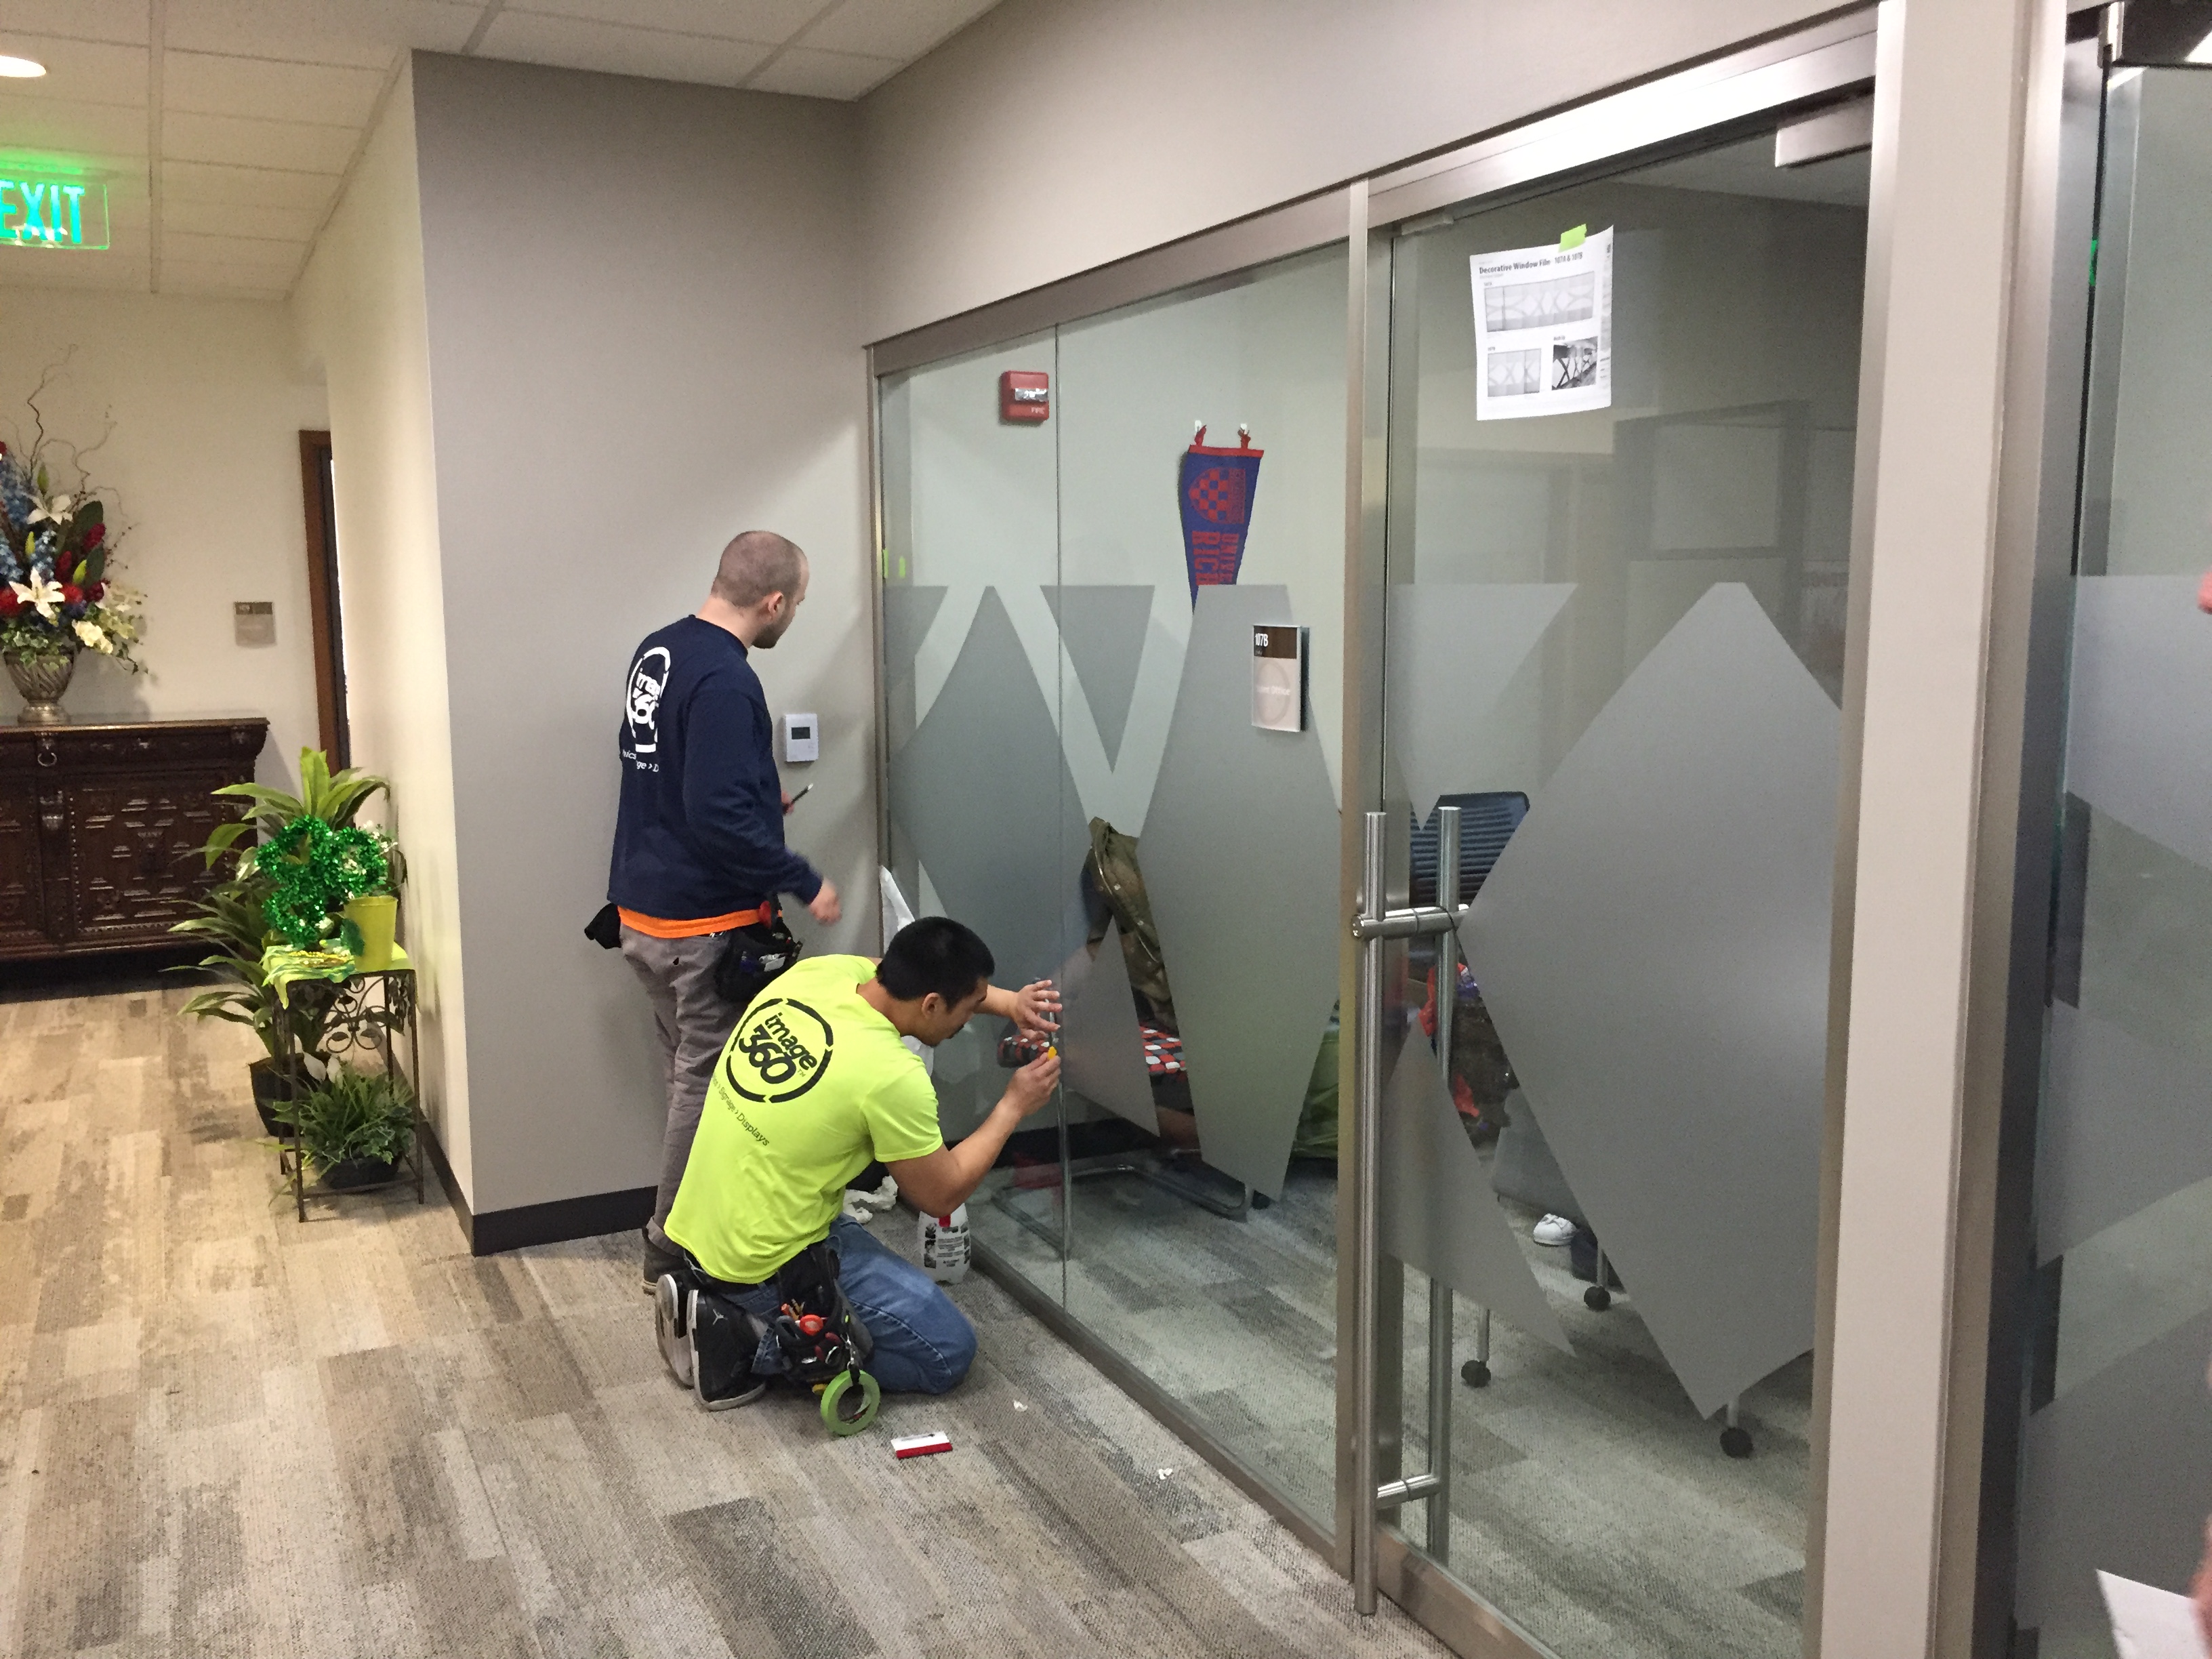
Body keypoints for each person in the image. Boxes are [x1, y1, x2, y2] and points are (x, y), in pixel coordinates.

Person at [662, 916, 1061, 1394]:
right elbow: (941, 1194)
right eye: (971, 1007)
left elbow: (885, 966)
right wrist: (1013, 1106)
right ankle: (743, 1337)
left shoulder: (819, 974)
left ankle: (716, 1294)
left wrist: (1011, 1003)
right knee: (948, 1353)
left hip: (703, 1222)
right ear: (932, 1005)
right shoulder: (891, 1075)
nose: (973, 1017)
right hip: (767, 1260)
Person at [610, 529, 840, 1288]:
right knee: (705, 1084)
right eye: (796, 604)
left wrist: (758, 796)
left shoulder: (660, 650)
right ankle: (671, 1245)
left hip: (643, 915)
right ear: (773, 602)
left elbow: (666, 768)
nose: (793, 616)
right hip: (699, 927)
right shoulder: (728, 680)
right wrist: (802, 878)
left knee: (687, 1072)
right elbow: (714, 815)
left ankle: (703, 1224)